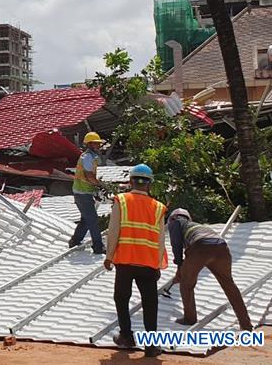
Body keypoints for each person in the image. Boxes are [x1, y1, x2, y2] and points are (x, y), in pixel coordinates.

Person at [104, 164, 167, 358]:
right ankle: (151, 346)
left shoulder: (121, 201)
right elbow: (160, 240)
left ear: (131, 181)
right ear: (149, 184)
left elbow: (113, 230)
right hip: (147, 263)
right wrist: (158, 263)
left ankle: (126, 336)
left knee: (121, 298)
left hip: (125, 261)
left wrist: (109, 256)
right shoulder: (158, 208)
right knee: (150, 303)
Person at [168, 208, 253, 331]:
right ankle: (246, 324)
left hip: (200, 248)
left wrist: (179, 267)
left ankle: (189, 318)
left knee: (186, 283)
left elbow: (176, 245)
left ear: (173, 218)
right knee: (229, 285)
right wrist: (181, 269)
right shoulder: (198, 226)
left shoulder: (175, 222)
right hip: (221, 248)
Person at [69, 132, 106, 254]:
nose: (98, 145)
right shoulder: (87, 157)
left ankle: (75, 240)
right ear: (89, 144)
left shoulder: (91, 156)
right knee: (93, 220)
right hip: (82, 192)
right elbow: (89, 176)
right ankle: (98, 246)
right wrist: (100, 185)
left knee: (86, 218)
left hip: (83, 191)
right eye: (96, 143)